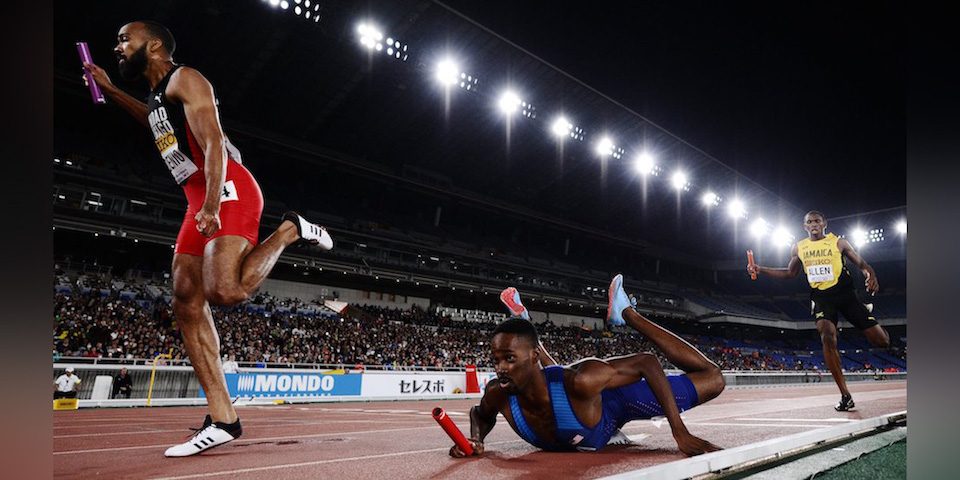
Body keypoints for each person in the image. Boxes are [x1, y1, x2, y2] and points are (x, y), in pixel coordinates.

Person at [82, 21, 334, 456]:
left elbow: (214, 141)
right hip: (196, 196)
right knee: (185, 297)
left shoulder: (186, 78)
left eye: (126, 39)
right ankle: (223, 418)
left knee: (226, 290)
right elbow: (154, 122)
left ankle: (290, 229)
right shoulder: (159, 96)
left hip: (228, 189)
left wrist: (213, 204)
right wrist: (109, 87)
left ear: (154, 44)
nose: (117, 46)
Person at [451, 275, 725, 457]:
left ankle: (626, 312)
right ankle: (522, 320)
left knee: (713, 379)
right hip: (577, 406)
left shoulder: (582, 380)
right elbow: (481, 414)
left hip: (616, 405)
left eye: (509, 358)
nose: (500, 369)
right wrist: (476, 439)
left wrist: (680, 432)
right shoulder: (499, 393)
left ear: (532, 356)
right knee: (557, 387)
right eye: (496, 360)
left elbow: (646, 362)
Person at [746, 210, 890, 411]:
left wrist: (870, 274)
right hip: (821, 297)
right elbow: (790, 273)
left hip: (846, 295)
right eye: (809, 222)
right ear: (805, 226)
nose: (813, 224)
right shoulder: (799, 248)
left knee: (882, 342)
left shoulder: (838, 243)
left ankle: (868, 312)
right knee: (827, 337)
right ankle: (845, 395)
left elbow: (862, 264)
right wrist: (761, 269)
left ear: (824, 224)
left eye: (817, 221)